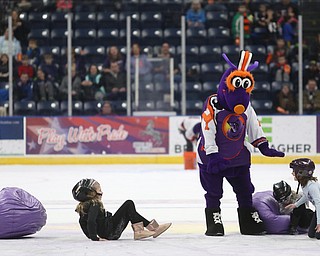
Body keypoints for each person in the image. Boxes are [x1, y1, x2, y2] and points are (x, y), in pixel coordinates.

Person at [197, 50, 285, 237]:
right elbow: (207, 130)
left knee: (245, 191)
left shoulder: (246, 106)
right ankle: (214, 219)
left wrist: (263, 145)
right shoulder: (212, 104)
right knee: (214, 192)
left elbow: (253, 125)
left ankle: (248, 219)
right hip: (212, 158)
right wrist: (212, 155)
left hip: (238, 157)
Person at [72, 178, 171, 241]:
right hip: (110, 232)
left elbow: (82, 222)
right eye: (97, 189)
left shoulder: (86, 206)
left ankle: (152, 228)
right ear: (89, 194)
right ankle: (145, 230)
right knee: (129, 203)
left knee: (129, 210)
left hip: (108, 231)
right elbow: (90, 221)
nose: (100, 192)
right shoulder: (95, 204)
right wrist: (94, 238)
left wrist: (90, 236)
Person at [285, 158, 320, 239]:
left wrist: (319, 223)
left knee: (318, 235)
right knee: (311, 234)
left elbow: (319, 204)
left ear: (301, 173)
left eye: (294, 171)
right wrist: (295, 205)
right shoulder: (305, 184)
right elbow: (306, 196)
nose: (292, 173)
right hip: (318, 210)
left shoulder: (312, 186)